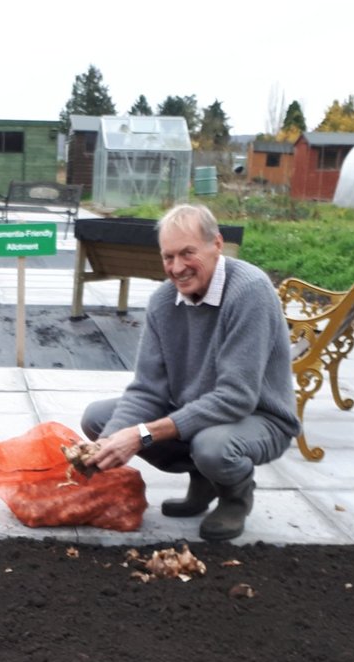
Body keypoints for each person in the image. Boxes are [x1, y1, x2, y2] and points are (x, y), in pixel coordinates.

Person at [81, 203, 300, 541]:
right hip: (199, 414)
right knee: (98, 419)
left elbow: (236, 398)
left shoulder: (249, 292)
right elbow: (147, 391)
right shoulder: (163, 302)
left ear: (217, 244)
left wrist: (142, 435)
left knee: (211, 446)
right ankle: (204, 480)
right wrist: (109, 444)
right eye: (168, 257)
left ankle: (234, 495)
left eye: (187, 253)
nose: (177, 267)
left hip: (260, 416)